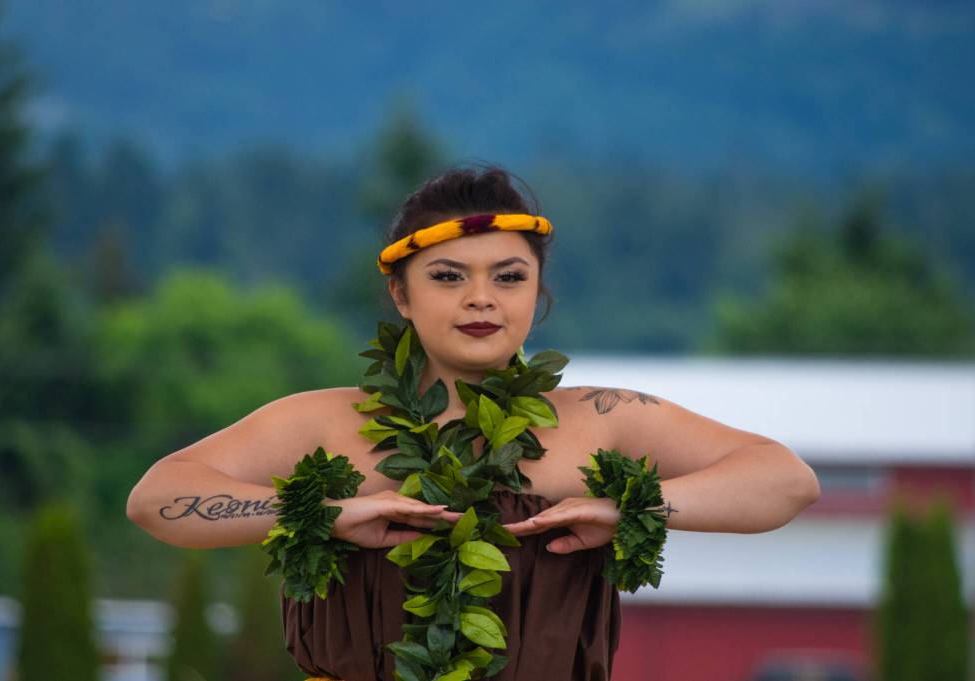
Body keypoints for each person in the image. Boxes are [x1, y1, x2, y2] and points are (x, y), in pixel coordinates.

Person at [126, 163, 821, 681]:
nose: (481, 299)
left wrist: (633, 509)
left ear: (538, 292)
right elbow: (157, 498)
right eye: (449, 276)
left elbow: (785, 479)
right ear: (400, 292)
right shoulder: (325, 421)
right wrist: (326, 513)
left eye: (509, 277)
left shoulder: (603, 420)